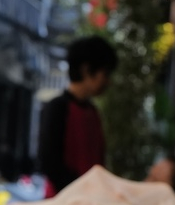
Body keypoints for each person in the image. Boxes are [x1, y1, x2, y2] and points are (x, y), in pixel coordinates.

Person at [38, 35, 119, 195]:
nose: (108, 82)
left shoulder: (92, 111)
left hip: (90, 202)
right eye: (106, 74)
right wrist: (79, 192)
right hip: (62, 203)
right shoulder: (57, 107)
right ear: (87, 70)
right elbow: (49, 162)